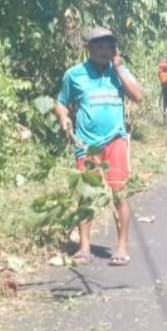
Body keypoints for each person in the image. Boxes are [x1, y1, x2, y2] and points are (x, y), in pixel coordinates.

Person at [54, 27, 143, 266]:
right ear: (89, 49)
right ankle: (84, 248)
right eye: (100, 47)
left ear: (115, 50)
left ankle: (122, 247)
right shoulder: (74, 75)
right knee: (86, 195)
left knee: (119, 193)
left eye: (109, 47)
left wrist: (119, 67)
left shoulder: (119, 73)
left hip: (115, 142)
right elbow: (62, 103)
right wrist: (64, 118)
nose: (105, 51)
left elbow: (138, 95)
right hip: (86, 144)